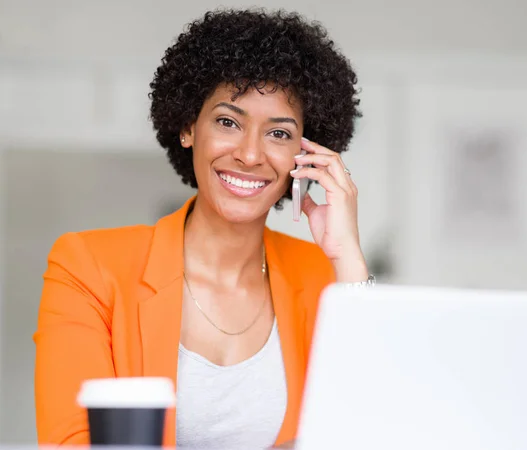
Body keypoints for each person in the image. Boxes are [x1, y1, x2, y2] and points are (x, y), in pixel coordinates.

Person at [34, 8, 371, 449]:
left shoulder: (325, 278)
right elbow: (71, 441)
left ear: (304, 155)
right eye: (228, 122)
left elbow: (373, 425)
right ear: (189, 126)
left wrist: (347, 255)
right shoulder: (89, 265)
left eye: (279, 134)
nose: (250, 155)